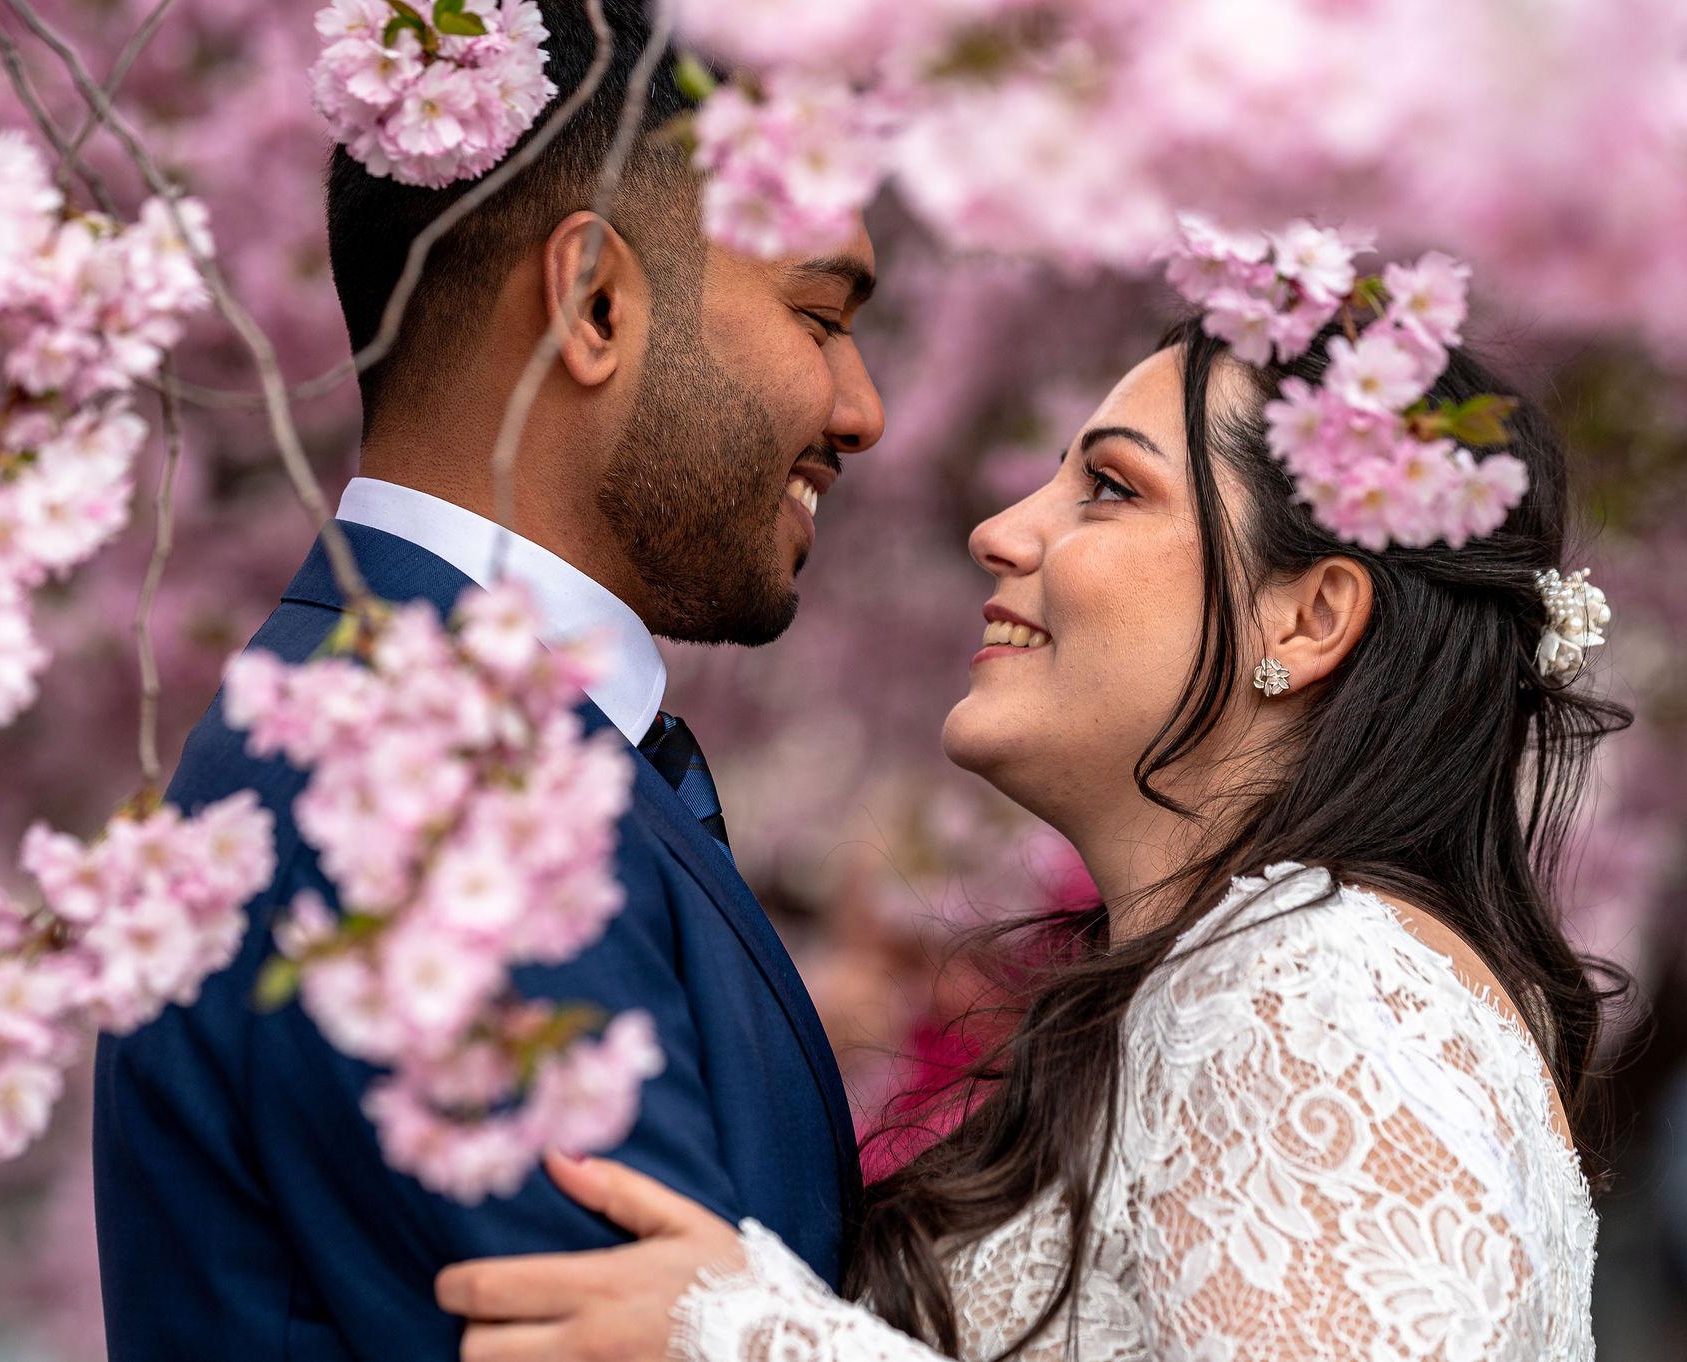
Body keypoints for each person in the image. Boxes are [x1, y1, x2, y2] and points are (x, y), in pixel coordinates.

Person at [433, 311, 1629, 1359]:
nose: (1000, 530)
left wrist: (745, 1338)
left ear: (1309, 614)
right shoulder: (1247, 970)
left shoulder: (1318, 989)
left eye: (1109, 487)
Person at [89, 2, 886, 1358]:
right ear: (593, 302)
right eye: (819, 313)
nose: (863, 407)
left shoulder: (423, 722)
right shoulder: (437, 786)